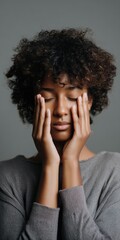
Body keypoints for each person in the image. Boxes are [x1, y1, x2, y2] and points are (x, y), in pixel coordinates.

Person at [0, 28, 120, 240]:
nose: (61, 110)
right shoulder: (7, 176)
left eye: (73, 96)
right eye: (47, 98)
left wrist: (70, 161)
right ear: (32, 102)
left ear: (90, 101)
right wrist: (50, 166)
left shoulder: (115, 171)